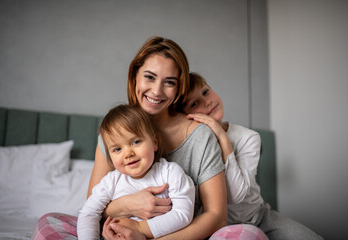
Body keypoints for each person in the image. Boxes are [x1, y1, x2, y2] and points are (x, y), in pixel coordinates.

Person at [32, 36, 267, 240]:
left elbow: (216, 216)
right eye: (150, 77)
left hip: (181, 235)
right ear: (135, 76)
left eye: (169, 83)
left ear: (178, 88)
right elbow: (93, 208)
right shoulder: (113, 133)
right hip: (118, 231)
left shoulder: (199, 137)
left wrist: (143, 235)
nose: (156, 91)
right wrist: (128, 205)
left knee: (248, 235)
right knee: (47, 224)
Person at [179, 72, 323, 240]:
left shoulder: (248, 137)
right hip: (217, 226)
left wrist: (223, 139)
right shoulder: (194, 147)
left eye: (206, 92)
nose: (207, 101)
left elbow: (236, 195)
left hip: (258, 217)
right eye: (195, 103)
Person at [77, 104, 195, 239]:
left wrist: (139, 228)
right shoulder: (111, 182)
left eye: (136, 142)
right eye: (117, 149)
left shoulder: (170, 173)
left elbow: (183, 214)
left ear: (154, 142)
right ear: (110, 157)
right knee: (49, 221)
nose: (128, 153)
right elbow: (88, 214)